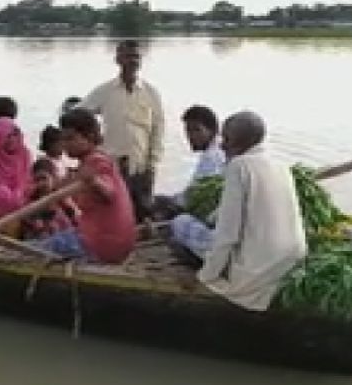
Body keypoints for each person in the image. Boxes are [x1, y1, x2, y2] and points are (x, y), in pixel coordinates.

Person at [171, 111, 307, 311]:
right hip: (290, 259)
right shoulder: (280, 164)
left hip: (255, 266)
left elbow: (227, 235)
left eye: (227, 139)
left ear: (243, 141)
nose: (223, 145)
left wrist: (206, 277)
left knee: (180, 223)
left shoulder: (239, 166)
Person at [35, 109, 136, 264]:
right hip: (109, 243)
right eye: (64, 139)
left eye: (70, 138)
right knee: (55, 238)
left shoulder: (96, 161)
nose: (65, 145)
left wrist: (94, 181)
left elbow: (109, 192)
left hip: (102, 246)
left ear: (89, 137)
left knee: (36, 250)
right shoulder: (91, 162)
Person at [80, 40, 164, 222]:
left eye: (136, 57)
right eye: (128, 56)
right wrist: (92, 143)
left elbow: (158, 131)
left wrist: (153, 165)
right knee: (114, 214)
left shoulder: (151, 93)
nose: (133, 61)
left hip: (141, 167)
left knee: (141, 214)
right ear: (118, 59)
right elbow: (80, 115)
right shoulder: (105, 91)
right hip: (113, 167)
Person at [153, 105, 227, 219]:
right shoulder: (217, 152)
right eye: (188, 130)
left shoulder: (212, 157)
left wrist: (168, 202)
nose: (191, 136)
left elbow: (195, 197)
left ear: (213, 131)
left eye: (197, 130)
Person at [0, 117, 32, 227]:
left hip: (21, 203)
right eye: (7, 136)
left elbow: (26, 180)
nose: (12, 139)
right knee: (1, 193)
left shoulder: (24, 154)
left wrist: (19, 191)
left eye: (14, 135)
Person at [21, 158, 77, 240]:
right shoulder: (31, 200)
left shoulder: (62, 198)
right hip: (37, 241)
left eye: (44, 178)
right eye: (37, 180)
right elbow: (30, 223)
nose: (40, 183)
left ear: (53, 178)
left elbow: (74, 219)